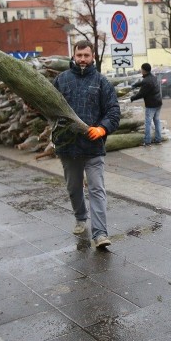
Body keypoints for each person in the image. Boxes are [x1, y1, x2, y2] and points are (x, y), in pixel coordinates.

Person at [53, 40, 120, 248]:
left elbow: (113, 111)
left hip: (93, 146)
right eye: (79, 55)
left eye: (86, 55)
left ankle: (100, 234)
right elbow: (48, 106)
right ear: (73, 56)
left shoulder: (101, 82)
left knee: (97, 189)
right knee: (74, 187)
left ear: (93, 57)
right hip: (68, 146)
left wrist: (102, 128)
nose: (83, 59)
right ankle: (81, 217)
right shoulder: (61, 80)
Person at [130, 62, 163, 146]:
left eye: (141, 69)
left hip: (151, 104)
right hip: (158, 102)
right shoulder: (153, 77)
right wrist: (134, 85)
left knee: (148, 122)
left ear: (144, 70)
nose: (141, 71)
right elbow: (143, 82)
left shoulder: (147, 80)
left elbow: (141, 94)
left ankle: (147, 141)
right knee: (157, 121)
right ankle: (158, 139)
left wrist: (131, 98)